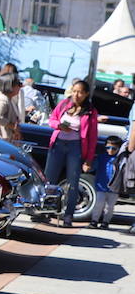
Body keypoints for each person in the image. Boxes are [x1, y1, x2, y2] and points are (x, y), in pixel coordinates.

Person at [45, 79, 99, 227]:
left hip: (76, 147)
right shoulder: (64, 104)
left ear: (86, 94)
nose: (77, 94)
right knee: (49, 179)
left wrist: (88, 159)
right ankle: (45, 211)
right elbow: (52, 120)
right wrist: (59, 126)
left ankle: (68, 216)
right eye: (75, 91)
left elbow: (93, 137)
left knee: (73, 182)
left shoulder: (90, 111)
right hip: (58, 144)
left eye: (80, 92)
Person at [89, 136, 125, 229]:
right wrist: (89, 166)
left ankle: (105, 222)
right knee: (98, 204)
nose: (110, 150)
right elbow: (94, 167)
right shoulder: (101, 157)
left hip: (114, 188)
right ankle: (94, 220)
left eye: (114, 148)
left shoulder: (120, 159)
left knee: (110, 207)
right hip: (101, 185)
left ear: (119, 149)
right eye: (108, 147)